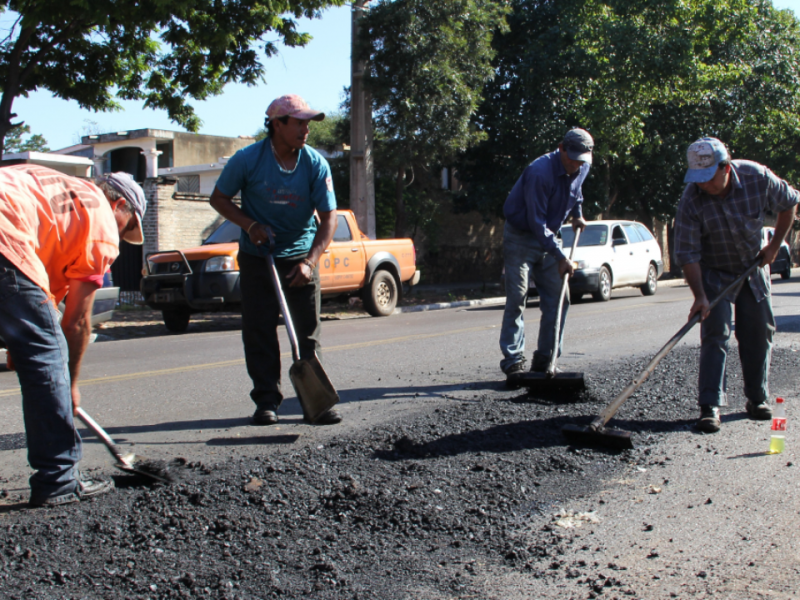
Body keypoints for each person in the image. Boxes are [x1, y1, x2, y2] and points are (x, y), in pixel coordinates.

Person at [0, 165, 147, 507]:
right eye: (129, 225)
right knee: (51, 356)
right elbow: (77, 321)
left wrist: (22, 341)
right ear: (119, 205)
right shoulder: (101, 220)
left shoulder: (59, 193)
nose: (122, 236)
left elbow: (37, 298)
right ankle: (60, 479)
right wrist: (69, 383)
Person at [209, 94, 340, 426]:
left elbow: (328, 219)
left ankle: (316, 402)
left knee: (307, 334)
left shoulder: (314, 164)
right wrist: (250, 225)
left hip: (300, 258)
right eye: (298, 122)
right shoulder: (247, 160)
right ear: (277, 124)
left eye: (307, 123)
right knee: (259, 331)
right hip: (259, 257)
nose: (305, 129)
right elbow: (219, 198)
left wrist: (310, 262)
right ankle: (266, 401)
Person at [674, 137, 799, 433]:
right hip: (714, 270)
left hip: (752, 267)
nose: (702, 184)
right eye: (697, 179)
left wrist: (774, 247)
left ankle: (757, 399)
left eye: (708, 178)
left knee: (758, 331)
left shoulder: (758, 178)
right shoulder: (691, 199)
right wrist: (700, 296)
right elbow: (687, 253)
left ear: (726, 167)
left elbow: (791, 203)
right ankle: (710, 406)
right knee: (716, 333)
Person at [499, 128, 593, 384]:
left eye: (581, 160)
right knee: (517, 297)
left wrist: (577, 213)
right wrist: (561, 255)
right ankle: (513, 361)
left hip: (550, 236)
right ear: (561, 148)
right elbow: (536, 222)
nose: (576, 165)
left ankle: (546, 359)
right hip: (522, 235)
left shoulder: (582, 166)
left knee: (559, 298)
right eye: (572, 158)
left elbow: (577, 192)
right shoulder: (540, 173)